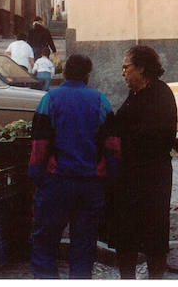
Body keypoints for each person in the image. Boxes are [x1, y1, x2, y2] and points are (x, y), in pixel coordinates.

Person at [29, 54, 113, 279]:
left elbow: (39, 146)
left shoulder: (49, 99)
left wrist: (36, 179)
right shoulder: (101, 100)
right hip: (90, 185)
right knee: (84, 248)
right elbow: (113, 147)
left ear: (64, 73)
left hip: (55, 184)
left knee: (45, 244)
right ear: (88, 75)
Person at [106, 45, 177, 279]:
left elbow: (162, 136)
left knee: (154, 234)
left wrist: (124, 140)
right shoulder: (134, 94)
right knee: (126, 235)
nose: (123, 72)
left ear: (142, 68)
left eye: (127, 67)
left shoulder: (161, 94)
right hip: (128, 178)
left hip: (153, 177)